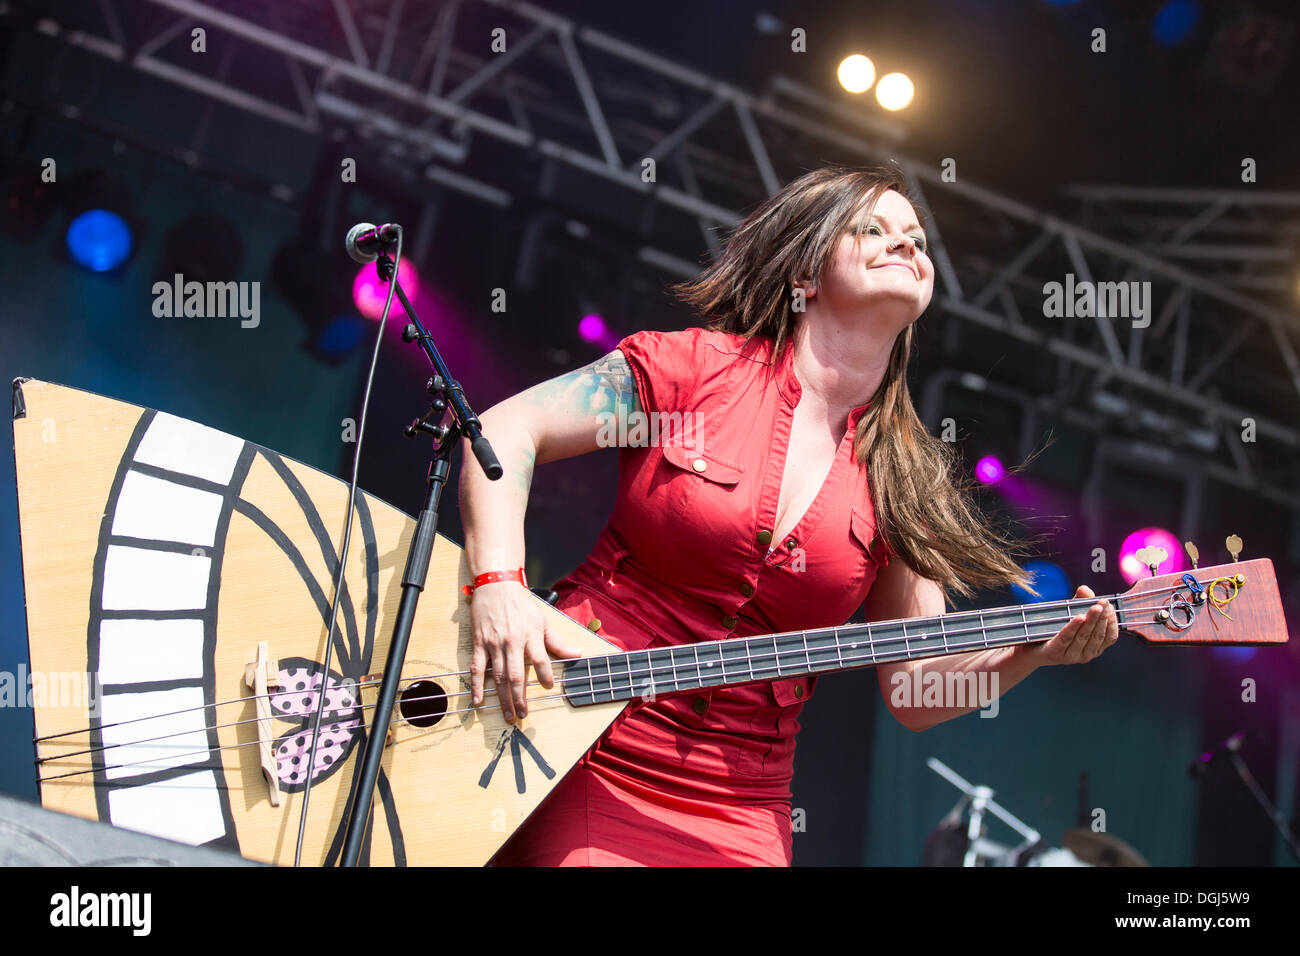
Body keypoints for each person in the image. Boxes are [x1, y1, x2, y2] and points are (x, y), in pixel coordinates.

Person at [459, 165, 1119, 866]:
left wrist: (1033, 652)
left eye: (918, 240)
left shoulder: (906, 479)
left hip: (742, 807)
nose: (907, 247)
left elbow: (916, 687)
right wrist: (497, 582)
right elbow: (504, 431)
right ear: (804, 273)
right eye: (874, 230)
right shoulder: (694, 369)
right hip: (580, 740)